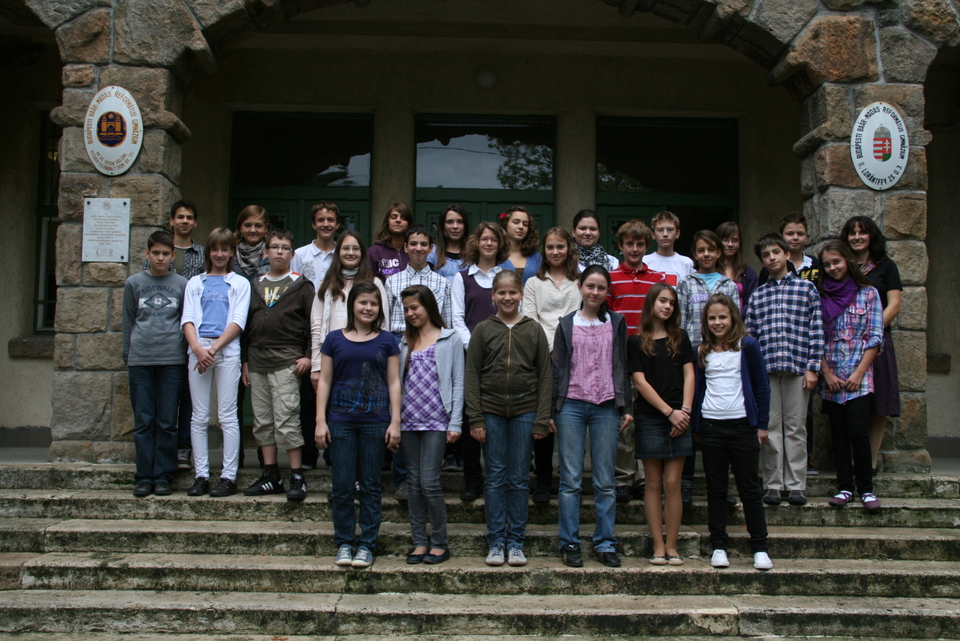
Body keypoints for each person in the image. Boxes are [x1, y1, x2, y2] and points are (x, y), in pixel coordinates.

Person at [466, 270, 552, 567]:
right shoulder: (483, 330)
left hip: (525, 412)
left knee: (518, 478)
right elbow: (471, 375)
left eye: (512, 292)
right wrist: (475, 418)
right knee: (494, 477)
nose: (507, 297)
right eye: (501, 293)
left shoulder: (533, 330)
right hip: (490, 412)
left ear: (521, 295)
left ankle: (515, 541)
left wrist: (542, 418)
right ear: (493, 296)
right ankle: (495, 540)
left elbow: (545, 375)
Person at [315, 281, 402, 569]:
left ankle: (366, 544)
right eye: (363, 302)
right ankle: (343, 542)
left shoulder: (387, 340)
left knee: (371, 485)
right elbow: (324, 380)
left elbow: (393, 381)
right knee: (342, 485)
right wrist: (320, 420)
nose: (368, 308)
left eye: (373, 303)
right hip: (340, 422)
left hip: (375, 422)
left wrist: (395, 421)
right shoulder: (334, 339)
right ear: (352, 304)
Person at [551, 266, 632, 568]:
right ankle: (570, 542)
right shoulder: (566, 324)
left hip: (606, 406)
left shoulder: (616, 322)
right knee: (571, 480)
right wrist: (552, 410)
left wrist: (626, 406)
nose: (595, 292)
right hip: (571, 404)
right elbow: (557, 367)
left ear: (607, 291)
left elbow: (622, 365)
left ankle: (605, 542)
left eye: (601, 287)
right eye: (590, 286)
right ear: (580, 288)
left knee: (605, 481)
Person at [692, 293, 773, 571]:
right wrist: (697, 426)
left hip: (742, 427)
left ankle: (760, 547)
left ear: (733, 318)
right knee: (716, 489)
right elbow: (699, 389)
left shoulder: (747, 346)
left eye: (722, 317)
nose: (717, 322)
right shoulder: (702, 351)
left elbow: (761, 386)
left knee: (749, 489)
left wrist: (762, 424)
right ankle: (718, 545)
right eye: (712, 318)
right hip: (712, 426)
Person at [746, 234, 823, 507]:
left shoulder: (806, 289)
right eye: (766, 255)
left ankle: (796, 485)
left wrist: (813, 368)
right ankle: (773, 485)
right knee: (770, 428)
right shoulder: (758, 295)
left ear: (787, 254)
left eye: (776, 252)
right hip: (767, 372)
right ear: (762, 262)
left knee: (795, 428)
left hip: (798, 368)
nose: (772, 258)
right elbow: (750, 337)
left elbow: (816, 330)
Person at [241, 230, 316, 501]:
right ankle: (271, 475)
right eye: (274, 247)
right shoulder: (254, 284)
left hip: (287, 360)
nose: (279, 251)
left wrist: (308, 355)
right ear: (266, 252)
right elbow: (245, 325)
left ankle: (297, 475)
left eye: (285, 248)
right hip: (257, 361)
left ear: (292, 254)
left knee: (287, 418)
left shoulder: (302, 285)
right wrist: (245, 361)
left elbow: (313, 324)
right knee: (263, 421)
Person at [606, 219, 674, 505]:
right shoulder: (611, 278)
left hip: (650, 358)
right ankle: (623, 477)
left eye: (640, 244)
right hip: (620, 358)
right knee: (623, 418)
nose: (634, 249)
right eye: (629, 244)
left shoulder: (658, 279)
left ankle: (645, 476)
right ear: (621, 246)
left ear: (647, 246)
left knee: (647, 418)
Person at [181, 228, 251, 498]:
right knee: (199, 416)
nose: (219, 254)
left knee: (227, 416)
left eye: (225, 249)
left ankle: (228, 476)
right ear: (208, 252)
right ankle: (201, 475)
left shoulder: (240, 283)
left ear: (232, 252)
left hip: (227, 351)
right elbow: (187, 319)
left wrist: (213, 349)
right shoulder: (195, 283)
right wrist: (198, 349)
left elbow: (238, 321)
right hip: (198, 350)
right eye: (215, 249)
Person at [398, 285, 464, 565]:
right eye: (406, 309)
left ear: (428, 307)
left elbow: (458, 381)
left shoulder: (449, 338)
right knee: (413, 483)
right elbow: (397, 383)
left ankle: (439, 542)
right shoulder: (404, 343)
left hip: (437, 419)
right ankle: (419, 542)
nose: (410, 313)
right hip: (408, 421)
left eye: (415, 307)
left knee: (429, 481)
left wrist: (456, 422)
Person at [630, 283, 694, 566]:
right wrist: (669, 413)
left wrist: (685, 412)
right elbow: (639, 382)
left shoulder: (681, 338)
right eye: (663, 301)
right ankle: (658, 545)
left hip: (681, 416)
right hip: (651, 416)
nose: (667, 306)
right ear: (652, 303)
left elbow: (690, 375)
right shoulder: (636, 341)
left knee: (673, 482)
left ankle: (672, 545)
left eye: (672, 302)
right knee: (653, 482)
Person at [818, 240, 884, 511]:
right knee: (839, 433)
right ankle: (844, 487)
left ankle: (866, 489)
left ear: (847, 260)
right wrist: (826, 373)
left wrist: (859, 372)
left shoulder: (868, 293)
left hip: (859, 376)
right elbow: (816, 337)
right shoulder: (820, 294)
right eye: (827, 264)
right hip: (832, 376)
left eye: (837, 262)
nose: (832, 268)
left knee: (858, 430)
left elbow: (875, 336)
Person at [122, 230, 188, 497]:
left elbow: (186, 321)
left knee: (166, 421)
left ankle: (163, 475)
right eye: (156, 253)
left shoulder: (182, 284)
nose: (160, 258)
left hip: (172, 359)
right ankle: (144, 476)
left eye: (166, 253)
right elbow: (129, 320)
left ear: (173, 256)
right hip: (141, 360)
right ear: (147, 254)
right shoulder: (133, 283)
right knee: (143, 421)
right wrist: (127, 354)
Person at [677, 230, 740, 505]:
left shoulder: (729, 285)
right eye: (701, 250)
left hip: (722, 358)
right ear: (694, 254)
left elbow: (736, 320)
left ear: (719, 252)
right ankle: (686, 483)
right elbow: (679, 322)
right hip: (692, 358)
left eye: (711, 250)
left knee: (718, 421)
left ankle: (722, 487)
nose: (706, 254)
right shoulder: (686, 283)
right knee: (690, 417)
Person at [141, 199, 205, 472]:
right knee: (161, 400)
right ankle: (158, 452)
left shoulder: (202, 254)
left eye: (189, 217)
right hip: (161, 334)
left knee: (189, 396)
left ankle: (183, 448)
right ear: (171, 221)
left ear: (195, 222)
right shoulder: (156, 254)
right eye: (180, 217)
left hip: (194, 334)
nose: (185, 221)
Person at [523, 227, 581, 502]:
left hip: (576, 357)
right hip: (543, 358)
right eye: (550, 247)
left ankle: (570, 477)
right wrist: (549, 350)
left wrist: (567, 349)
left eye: (560, 246)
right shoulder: (534, 283)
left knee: (570, 417)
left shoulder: (580, 281)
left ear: (569, 248)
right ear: (543, 251)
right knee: (544, 416)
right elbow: (530, 319)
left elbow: (583, 316)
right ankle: (544, 478)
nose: (555, 252)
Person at [451, 222, 506, 502]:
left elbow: (514, 313)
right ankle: (472, 479)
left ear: (500, 244)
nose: (489, 243)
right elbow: (456, 318)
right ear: (477, 242)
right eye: (484, 239)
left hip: (503, 356)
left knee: (497, 414)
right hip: (470, 355)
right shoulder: (462, 278)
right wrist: (474, 347)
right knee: (471, 414)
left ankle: (498, 477)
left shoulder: (506, 277)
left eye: (494, 239)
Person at [842, 216, 901, 474]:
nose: (857, 237)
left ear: (871, 236)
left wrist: (871, 331)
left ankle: (870, 462)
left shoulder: (886, 266)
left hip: (877, 344)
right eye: (852, 233)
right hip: (845, 345)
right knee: (847, 402)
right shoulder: (840, 265)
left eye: (862, 232)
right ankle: (848, 460)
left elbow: (894, 305)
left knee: (878, 404)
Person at [291, 202, 341, 472]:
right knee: (308, 394)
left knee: (334, 393)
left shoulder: (342, 253)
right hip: (305, 328)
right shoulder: (300, 255)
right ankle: (308, 453)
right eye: (321, 219)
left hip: (335, 327)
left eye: (330, 219)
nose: (326, 224)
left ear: (337, 224)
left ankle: (333, 453)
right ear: (313, 224)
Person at [386, 224, 453, 338]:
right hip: (400, 338)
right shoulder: (392, 281)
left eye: (423, 244)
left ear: (431, 248)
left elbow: (447, 323)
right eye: (413, 244)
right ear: (406, 247)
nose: (418, 248)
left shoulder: (443, 283)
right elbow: (386, 321)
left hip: (433, 339)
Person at [717, 221, 759, 314]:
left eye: (735, 240)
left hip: (741, 320)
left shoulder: (748, 272)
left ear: (740, 243)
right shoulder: (711, 270)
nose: (730, 244)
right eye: (725, 240)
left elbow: (752, 302)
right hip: (716, 320)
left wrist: (736, 317)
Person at [644, 211, 694, 280]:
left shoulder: (686, 263)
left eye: (670, 229)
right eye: (660, 230)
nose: (665, 234)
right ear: (653, 234)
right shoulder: (644, 262)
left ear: (677, 233)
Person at [499, 206, 543, 286]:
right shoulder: (496, 256)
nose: (521, 227)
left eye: (525, 224)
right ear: (505, 224)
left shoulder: (538, 258)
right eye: (516, 222)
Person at [369, 202, 412, 282]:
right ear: (387, 221)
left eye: (403, 218)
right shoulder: (374, 251)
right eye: (393, 217)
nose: (398, 220)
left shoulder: (414, 250)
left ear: (409, 223)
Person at [427, 204, 469, 283]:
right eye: (450, 222)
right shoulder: (432, 253)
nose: (455, 226)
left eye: (460, 222)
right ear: (443, 226)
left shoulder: (473, 254)